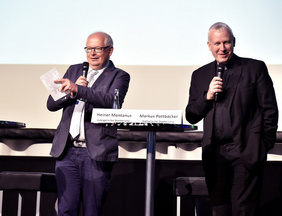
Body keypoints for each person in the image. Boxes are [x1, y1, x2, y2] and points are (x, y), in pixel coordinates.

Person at [185, 22, 278, 216]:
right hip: (215, 154)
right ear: (209, 45)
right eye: (217, 43)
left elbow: (270, 110)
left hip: (245, 152)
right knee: (219, 211)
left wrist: (261, 145)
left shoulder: (254, 68)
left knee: (243, 211)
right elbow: (192, 114)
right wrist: (207, 96)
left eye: (226, 42)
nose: (222, 48)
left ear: (233, 42)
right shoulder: (200, 75)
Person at [47, 32, 130, 216]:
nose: (92, 53)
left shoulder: (119, 76)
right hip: (67, 151)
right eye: (89, 49)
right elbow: (51, 104)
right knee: (66, 209)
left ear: (110, 50)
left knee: (92, 211)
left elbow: (110, 101)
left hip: (95, 153)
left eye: (98, 49)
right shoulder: (74, 70)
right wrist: (70, 93)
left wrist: (80, 89)